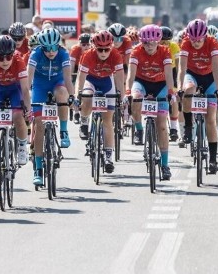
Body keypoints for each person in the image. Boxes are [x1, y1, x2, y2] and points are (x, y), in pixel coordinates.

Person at [126, 24, 175, 180]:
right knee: (135, 97)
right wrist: (128, 92)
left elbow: (169, 74)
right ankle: (139, 129)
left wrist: (170, 93)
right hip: (142, 82)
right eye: (146, 42)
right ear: (142, 42)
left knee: (161, 126)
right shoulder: (136, 51)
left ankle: (165, 165)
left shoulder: (165, 52)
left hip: (160, 85)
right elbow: (131, 76)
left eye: (153, 42)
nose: (150, 45)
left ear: (159, 41)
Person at [0, 35, 30, 189]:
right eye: (0, 57)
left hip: (14, 89)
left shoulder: (19, 61)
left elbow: (24, 89)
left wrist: (27, 109)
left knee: (17, 115)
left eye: (8, 56)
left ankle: (22, 147)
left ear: (13, 54)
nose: (4, 61)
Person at [27, 28, 74, 186]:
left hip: (57, 82)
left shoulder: (63, 53)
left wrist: (72, 96)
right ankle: (38, 169)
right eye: (47, 48)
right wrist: (25, 98)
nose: (51, 51)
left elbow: (68, 79)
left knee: (62, 93)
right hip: (39, 86)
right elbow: (28, 79)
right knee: (39, 125)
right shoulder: (35, 54)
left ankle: (63, 131)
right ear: (41, 47)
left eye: (54, 47)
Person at [177, 19, 218, 173]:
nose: (196, 43)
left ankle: (213, 159)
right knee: (188, 90)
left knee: (210, 120)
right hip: (192, 75)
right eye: (193, 40)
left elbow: (216, 69)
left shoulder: (213, 42)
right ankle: (188, 126)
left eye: (199, 40)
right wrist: (180, 88)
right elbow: (181, 70)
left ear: (205, 36)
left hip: (209, 77)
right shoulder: (185, 43)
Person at [76, 31, 124, 174]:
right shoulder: (87, 55)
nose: (103, 52)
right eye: (100, 49)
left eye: (106, 49)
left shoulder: (116, 55)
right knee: (86, 97)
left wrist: (122, 96)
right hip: (90, 80)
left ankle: (109, 157)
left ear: (111, 47)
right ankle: (84, 121)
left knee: (108, 120)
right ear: (94, 47)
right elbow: (81, 78)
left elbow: (120, 79)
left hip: (106, 82)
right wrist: (78, 95)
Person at [160, 26, 182, 142]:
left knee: (174, 96)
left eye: (166, 41)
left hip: (171, 72)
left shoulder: (174, 46)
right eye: (161, 41)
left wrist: (179, 82)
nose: (164, 44)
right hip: (158, 72)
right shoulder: (154, 47)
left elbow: (179, 67)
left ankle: (173, 128)